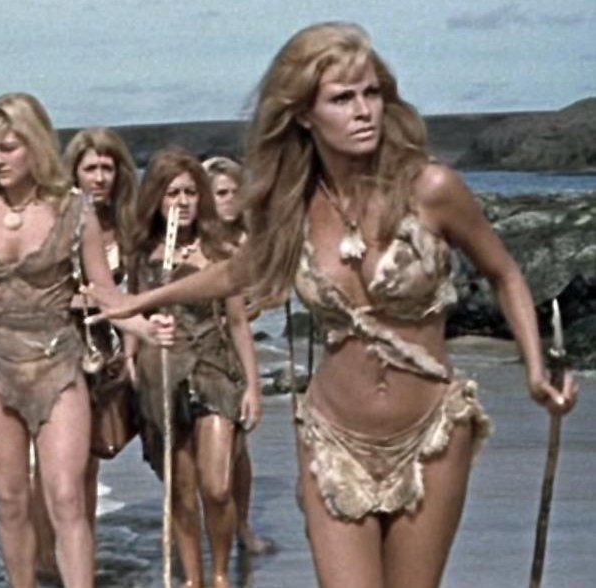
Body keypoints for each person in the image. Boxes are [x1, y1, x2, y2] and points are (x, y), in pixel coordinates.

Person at [87, 22, 579, 588]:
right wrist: (140, 300)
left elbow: (504, 272)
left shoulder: (430, 188)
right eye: (342, 99)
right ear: (303, 114)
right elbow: (237, 271)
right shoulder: (293, 207)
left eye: (371, 93)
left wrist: (535, 370)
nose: (363, 110)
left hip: (432, 433)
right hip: (333, 438)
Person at [0, 93, 170, 588]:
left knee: (67, 497)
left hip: (58, 361)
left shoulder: (74, 211)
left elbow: (104, 289)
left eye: (8, 148)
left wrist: (141, 325)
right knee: (11, 499)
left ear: (35, 146)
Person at [120, 146, 262, 588]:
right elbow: (134, 310)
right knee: (180, 489)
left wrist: (253, 386)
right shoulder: (143, 253)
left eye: (189, 192)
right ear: (156, 199)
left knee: (216, 486)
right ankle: (193, 578)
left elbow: (237, 323)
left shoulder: (220, 250)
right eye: (171, 193)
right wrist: (130, 355)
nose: (182, 202)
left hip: (214, 369)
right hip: (162, 372)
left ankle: (220, 573)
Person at [30, 126, 140, 576]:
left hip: (101, 351)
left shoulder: (127, 229)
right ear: (73, 172)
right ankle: (42, 562)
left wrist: (130, 352)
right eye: (90, 167)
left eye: (107, 168)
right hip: (53, 347)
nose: (99, 177)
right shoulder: (57, 220)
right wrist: (83, 299)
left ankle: (79, 562)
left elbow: (133, 295)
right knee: (49, 466)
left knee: (89, 462)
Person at [201, 155, 274, 556]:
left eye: (234, 192)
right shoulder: (196, 240)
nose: (229, 199)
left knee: (238, 446)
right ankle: (206, 526)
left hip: (234, 348)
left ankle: (241, 524)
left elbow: (267, 292)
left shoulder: (249, 241)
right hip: (198, 348)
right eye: (221, 193)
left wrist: (255, 305)